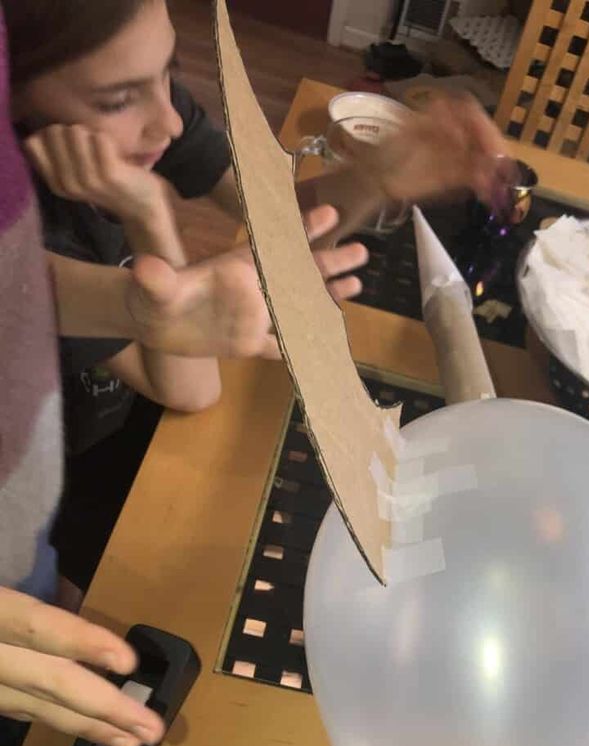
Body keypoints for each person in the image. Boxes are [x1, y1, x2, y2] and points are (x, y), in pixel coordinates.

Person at [6, 0, 371, 608]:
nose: (170, 124)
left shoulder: (151, 113)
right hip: (70, 474)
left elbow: (278, 212)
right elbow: (189, 387)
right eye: (119, 100)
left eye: (167, 73)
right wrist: (148, 213)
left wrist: (384, 177)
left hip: (116, 426)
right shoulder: (36, 227)